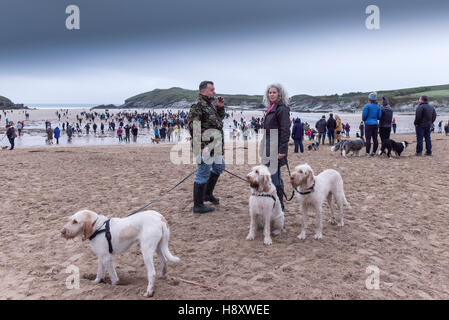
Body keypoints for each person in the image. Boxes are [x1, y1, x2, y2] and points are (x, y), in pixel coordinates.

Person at [188, 80, 226, 214]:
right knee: (202, 174)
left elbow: (218, 121)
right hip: (205, 147)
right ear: (203, 91)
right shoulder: (198, 106)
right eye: (212, 90)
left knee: (219, 166)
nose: (214, 92)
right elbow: (194, 128)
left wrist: (220, 107)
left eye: (214, 90)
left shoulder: (210, 105)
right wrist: (201, 147)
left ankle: (207, 194)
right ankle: (198, 205)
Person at [260, 83, 290, 212]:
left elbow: (285, 130)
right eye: (269, 92)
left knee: (275, 179)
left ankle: (278, 205)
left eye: (274, 92)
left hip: (275, 148)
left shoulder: (281, 109)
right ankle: (274, 204)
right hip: (268, 147)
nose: (271, 94)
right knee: (271, 176)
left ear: (280, 94)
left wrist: (282, 151)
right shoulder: (272, 108)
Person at [362, 92, 382, 157]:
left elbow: (364, 117)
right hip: (375, 124)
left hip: (368, 124)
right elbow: (379, 117)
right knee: (375, 139)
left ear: (369, 99)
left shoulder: (367, 106)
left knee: (368, 139)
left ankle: (367, 153)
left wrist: (365, 120)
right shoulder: (378, 107)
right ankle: (373, 152)